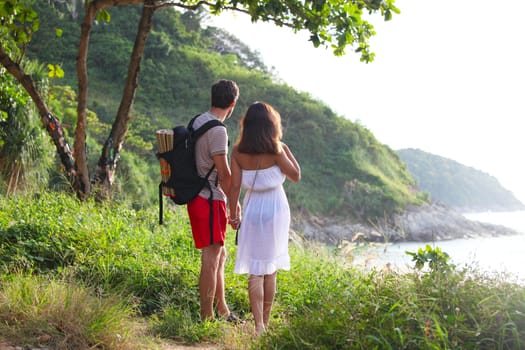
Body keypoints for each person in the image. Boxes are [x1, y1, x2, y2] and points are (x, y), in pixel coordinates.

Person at [227, 101, 301, 335]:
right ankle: (265, 324)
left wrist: (233, 213)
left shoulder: (238, 152)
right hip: (276, 208)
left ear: (247, 125)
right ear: (272, 125)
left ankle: (258, 324)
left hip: (252, 207)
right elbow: (296, 176)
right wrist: (285, 149)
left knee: (255, 269)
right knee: (271, 268)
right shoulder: (277, 149)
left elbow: (234, 186)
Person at [187, 79, 240, 321]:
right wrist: (234, 204)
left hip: (199, 197)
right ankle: (206, 317)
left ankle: (222, 310)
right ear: (232, 103)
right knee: (211, 258)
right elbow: (224, 172)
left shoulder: (198, 121)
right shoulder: (218, 130)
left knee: (220, 254)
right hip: (209, 199)